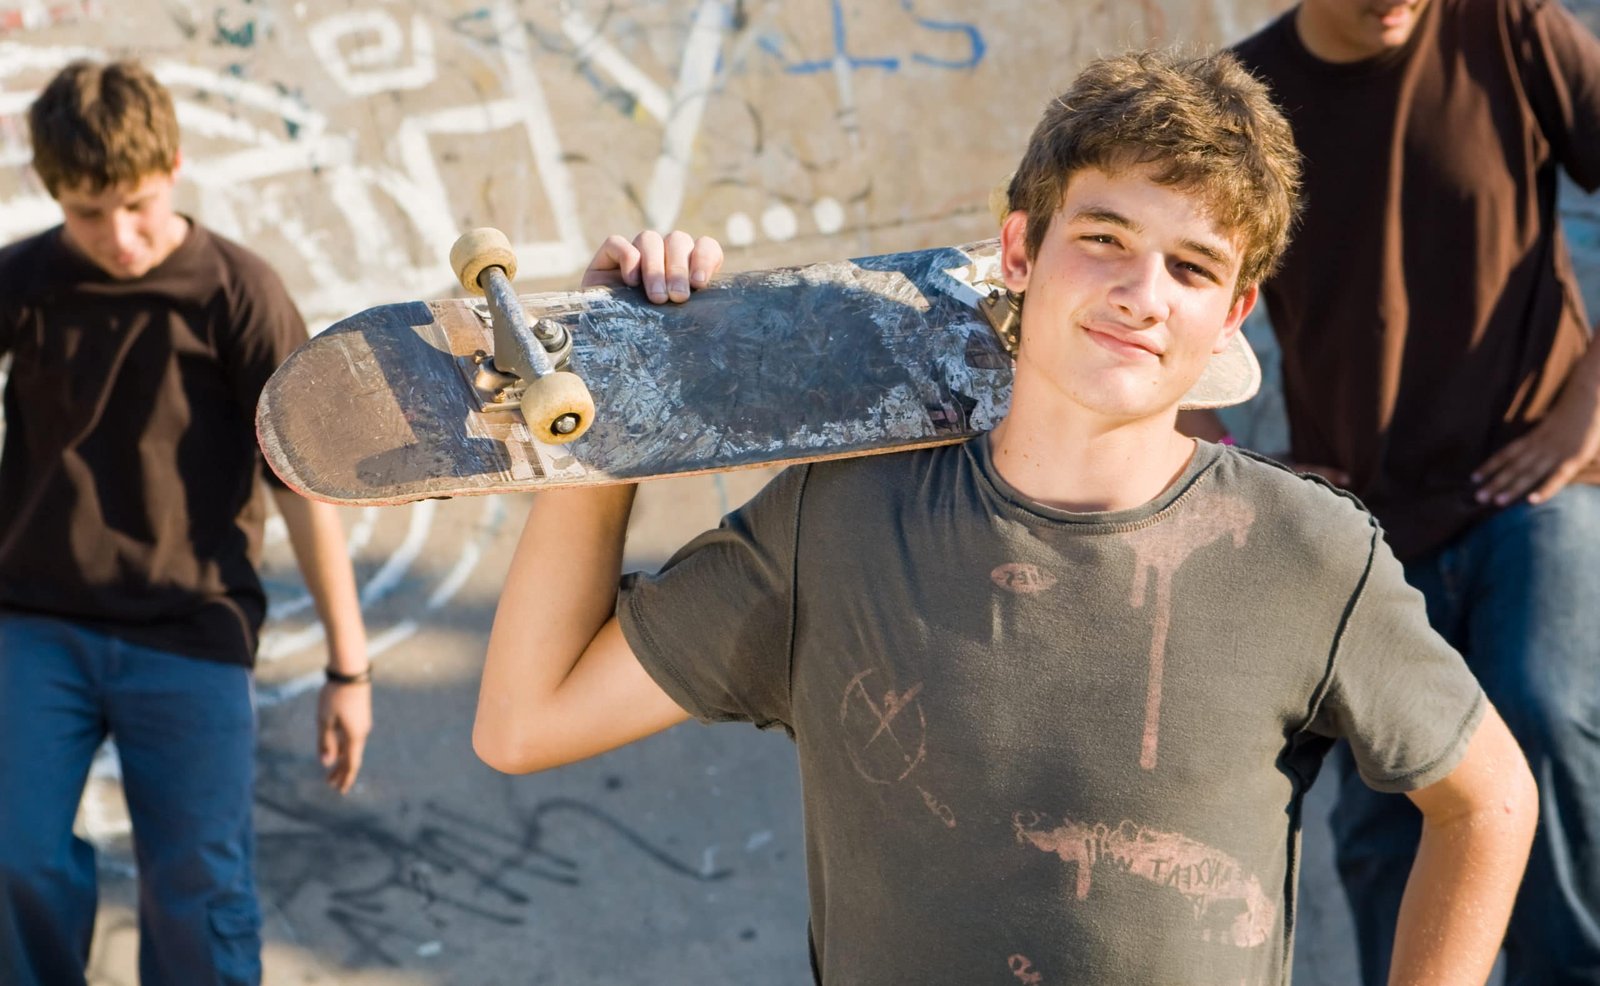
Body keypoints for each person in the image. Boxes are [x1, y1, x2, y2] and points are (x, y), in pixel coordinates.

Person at [476, 48, 1537, 984]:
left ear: (1233, 313)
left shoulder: (1305, 551)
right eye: (1106, 237)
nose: (1142, 291)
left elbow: (1489, 801)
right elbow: (525, 721)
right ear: (1020, 252)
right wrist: (614, 407)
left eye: (1193, 265)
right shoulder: (840, 519)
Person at [1190, 2, 1600, 982]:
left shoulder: (1509, 27)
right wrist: (1230, 465)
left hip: (1530, 487)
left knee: (1541, 708)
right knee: (1387, 804)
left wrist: (1586, 407)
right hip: (1361, 528)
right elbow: (1164, 300)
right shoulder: (1237, 105)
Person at [0, 59, 372, 986]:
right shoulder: (25, 282)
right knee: (14, 858)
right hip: (36, 621)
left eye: (136, 204)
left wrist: (348, 666)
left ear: (171, 164)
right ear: (52, 193)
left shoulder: (240, 296)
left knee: (196, 889)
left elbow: (303, 490)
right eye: (88, 214)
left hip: (191, 631)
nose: (119, 237)